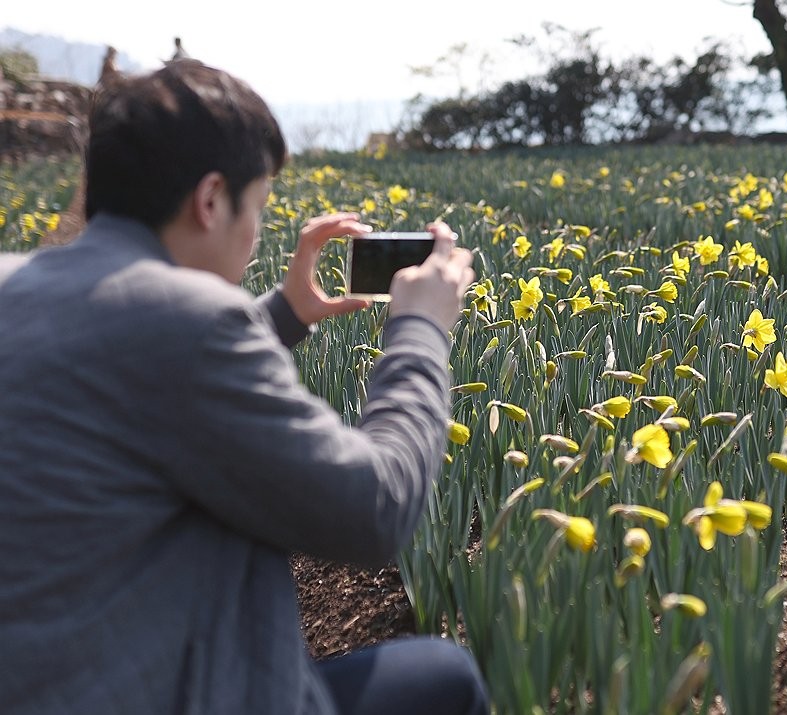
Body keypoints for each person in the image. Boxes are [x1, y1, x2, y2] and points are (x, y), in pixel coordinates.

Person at [0, 60, 487, 715]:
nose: (255, 234)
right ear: (209, 201)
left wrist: (286, 311)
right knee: (446, 677)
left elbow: (126, 370)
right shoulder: (187, 320)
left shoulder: (18, 283)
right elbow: (376, 509)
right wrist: (422, 330)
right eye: (256, 207)